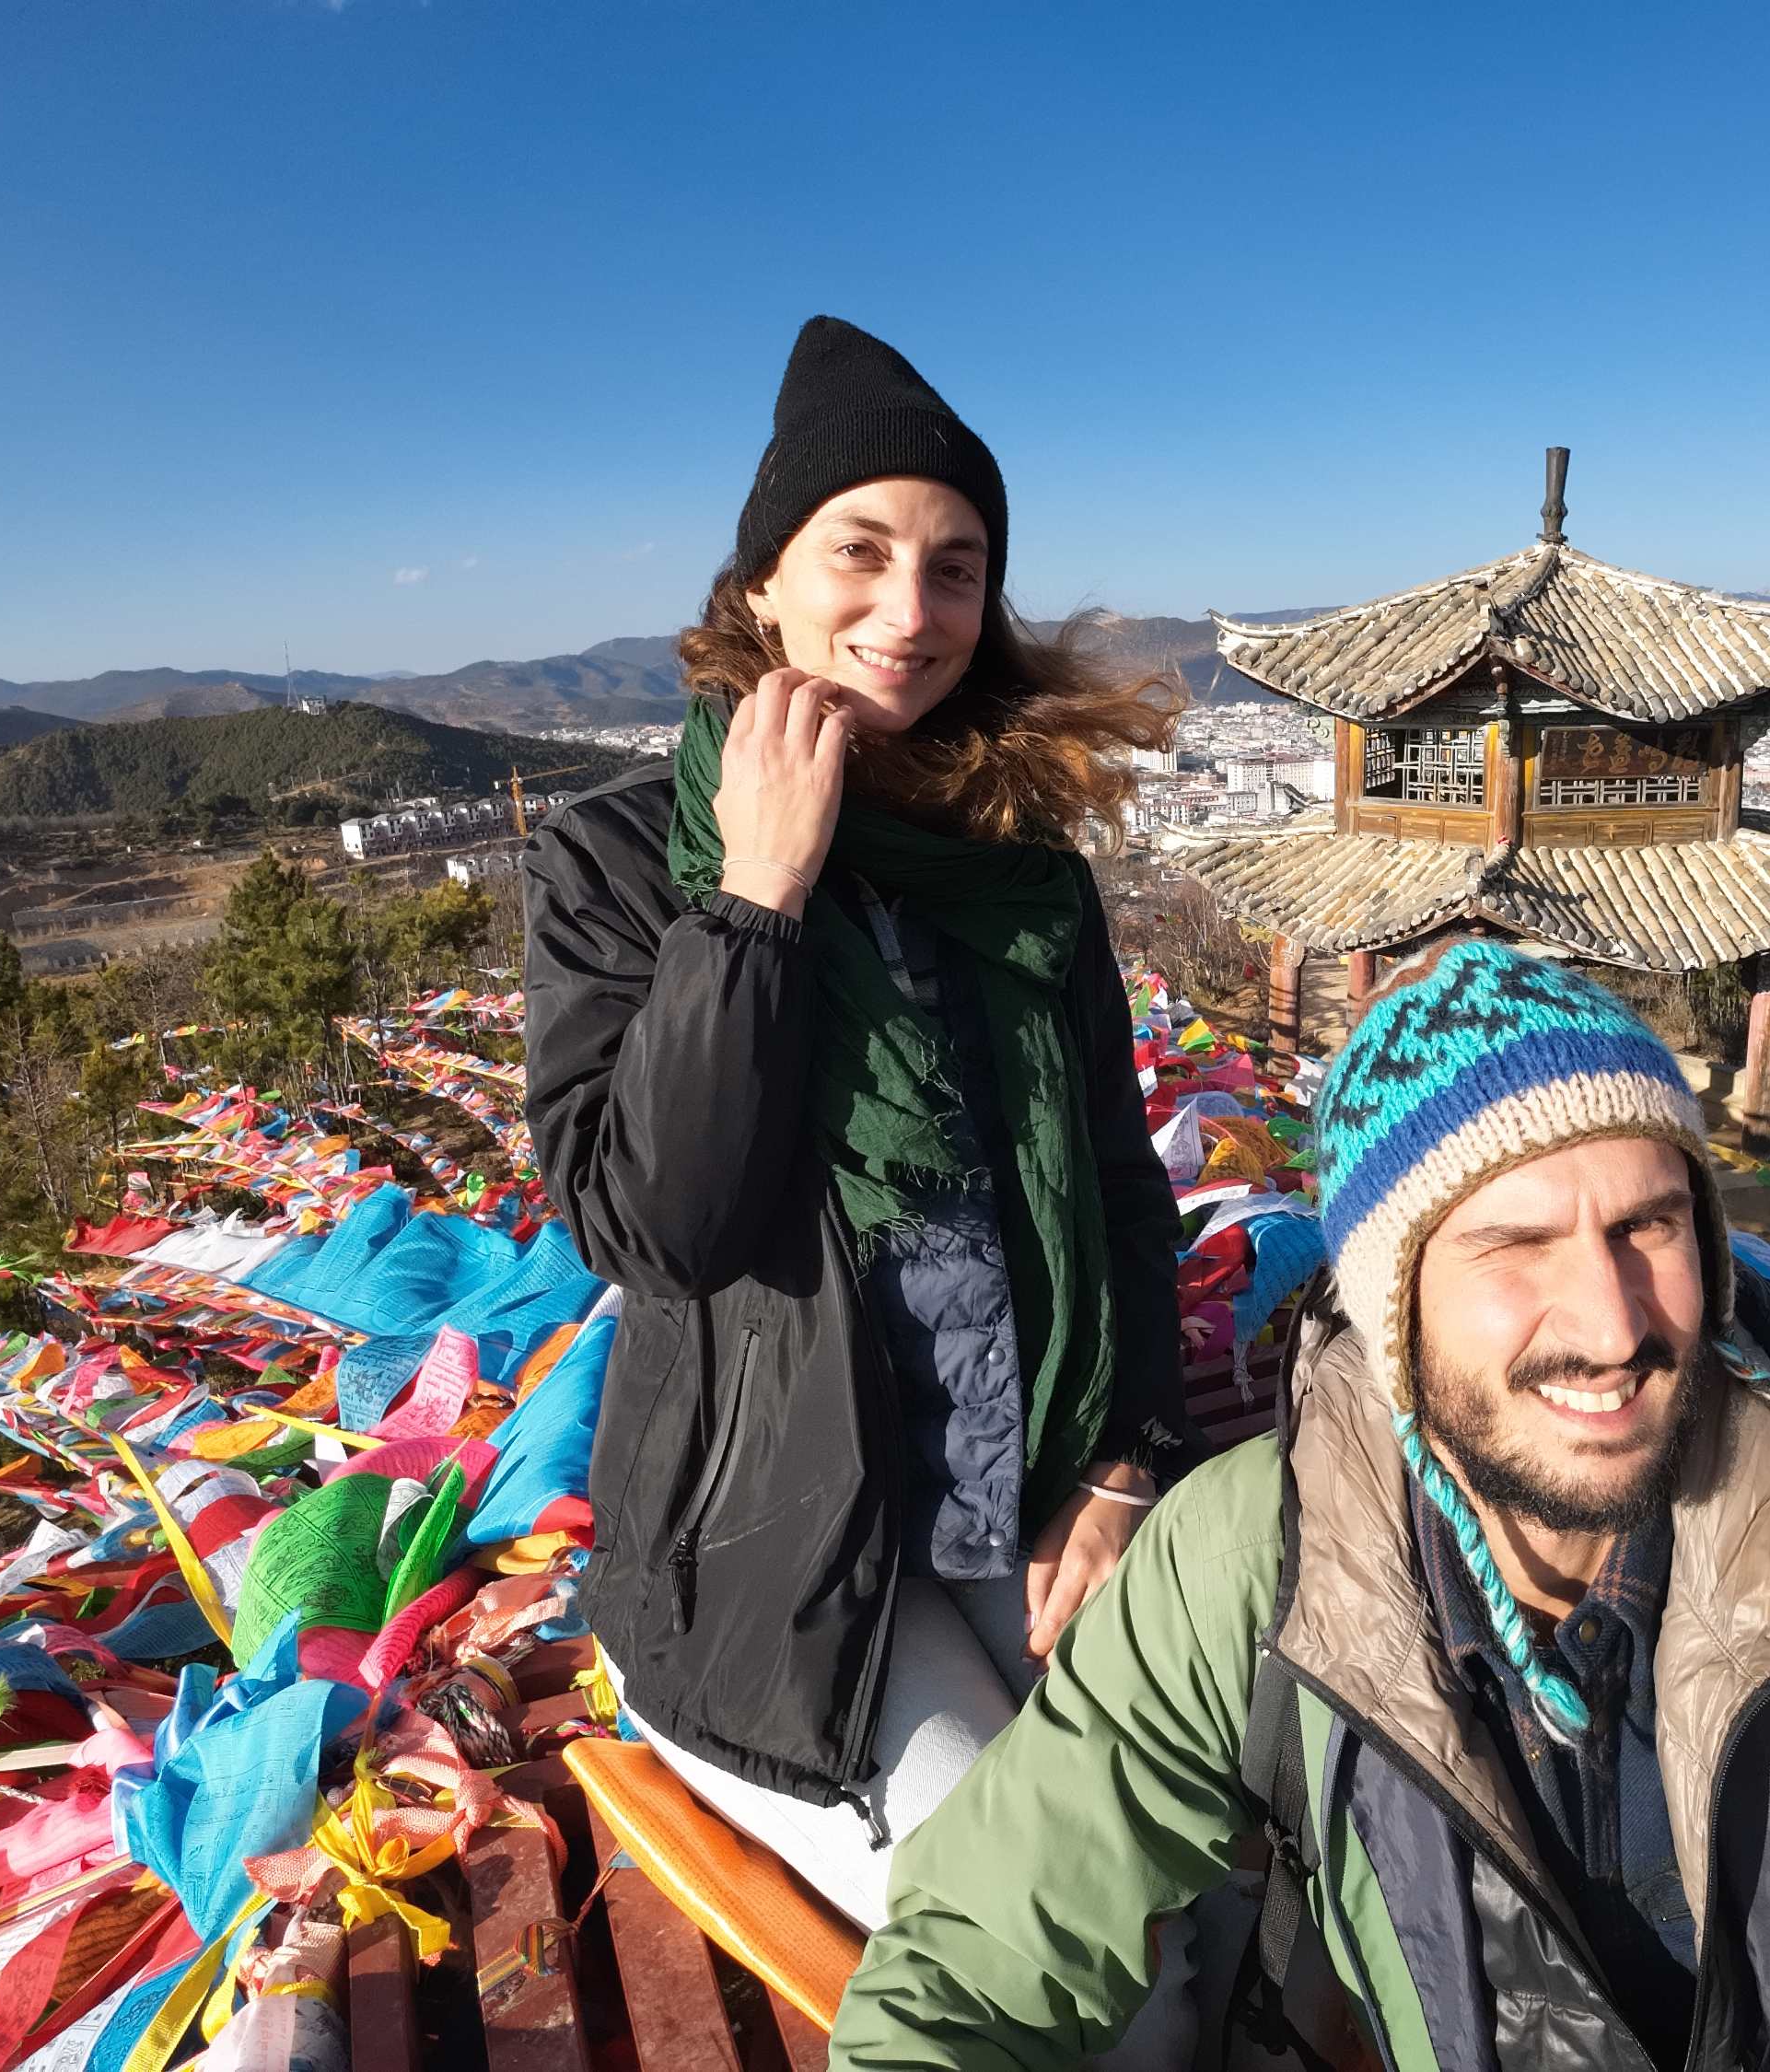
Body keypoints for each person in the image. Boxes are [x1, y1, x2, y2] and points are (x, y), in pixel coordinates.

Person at [831, 941, 1770, 2072]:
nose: (1610, 1316)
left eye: (1649, 1224)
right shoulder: (1258, 1553)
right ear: (1393, 1308)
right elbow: (976, 1946)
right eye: (1515, 1242)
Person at [519, 316, 1200, 2016]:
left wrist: (1122, 1464)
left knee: (1213, 1885)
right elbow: (654, 1224)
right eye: (864, 550)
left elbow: (1118, 1180)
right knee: (1062, 1943)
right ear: (764, 584)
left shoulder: (1018, 866)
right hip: (778, 1557)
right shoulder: (616, 858)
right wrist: (753, 901)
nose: (912, 609)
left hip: (1019, 1484)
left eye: (956, 567)